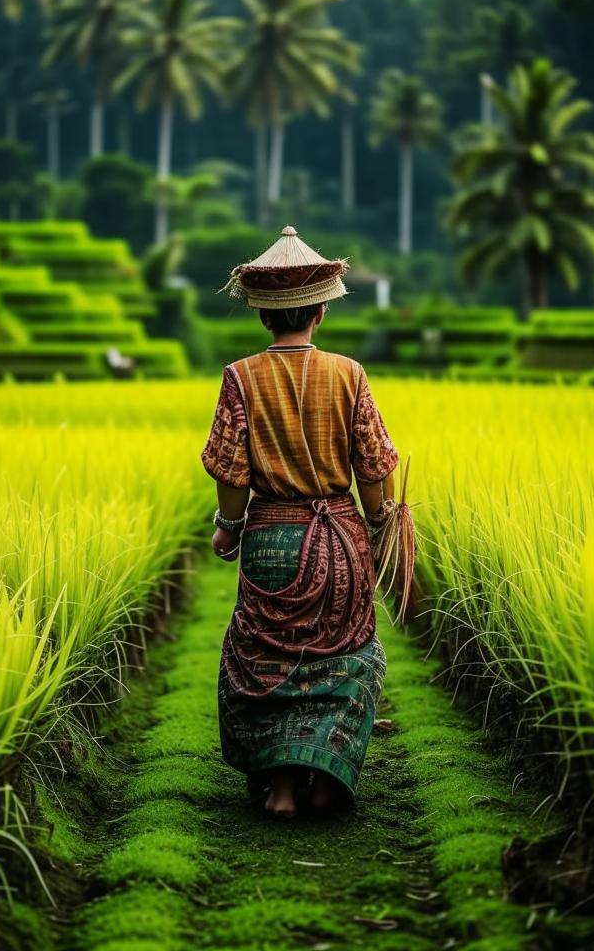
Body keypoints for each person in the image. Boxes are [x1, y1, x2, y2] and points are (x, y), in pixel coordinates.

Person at [201, 225, 400, 819]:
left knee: (267, 656)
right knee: (346, 654)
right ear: (320, 311)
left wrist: (228, 526)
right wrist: (379, 520)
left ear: (264, 316)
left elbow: (232, 470)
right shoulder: (349, 373)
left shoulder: (240, 377)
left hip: (270, 540)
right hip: (340, 539)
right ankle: (329, 776)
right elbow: (373, 464)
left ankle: (282, 789)